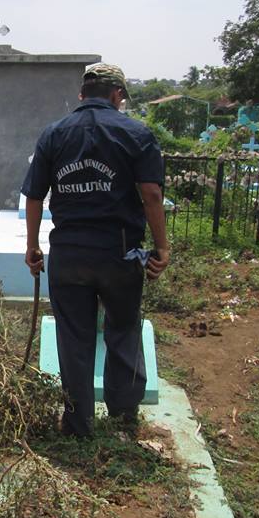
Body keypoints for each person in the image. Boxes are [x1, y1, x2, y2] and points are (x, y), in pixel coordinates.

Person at [21, 63, 170, 437]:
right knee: (122, 331)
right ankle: (122, 421)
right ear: (117, 95)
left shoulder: (53, 134)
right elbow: (151, 194)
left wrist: (32, 245)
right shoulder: (135, 133)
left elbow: (35, 196)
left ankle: (76, 424)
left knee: (74, 338)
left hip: (69, 253)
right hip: (118, 252)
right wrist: (162, 247)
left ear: (82, 95)